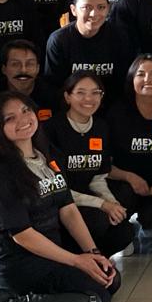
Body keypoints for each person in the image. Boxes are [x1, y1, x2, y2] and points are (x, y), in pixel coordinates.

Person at [0, 91, 121, 302]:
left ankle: (29, 298)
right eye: (10, 118)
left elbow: (68, 209)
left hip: (47, 254)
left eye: (25, 110)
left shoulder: (47, 156)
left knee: (110, 279)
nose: (22, 119)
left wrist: (93, 254)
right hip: (16, 264)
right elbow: (23, 236)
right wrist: (76, 261)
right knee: (96, 300)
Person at [42, 72, 136, 258]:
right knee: (97, 220)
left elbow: (98, 178)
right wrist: (102, 204)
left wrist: (112, 204)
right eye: (81, 92)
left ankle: (98, 260)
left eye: (95, 93)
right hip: (58, 200)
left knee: (124, 229)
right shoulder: (52, 128)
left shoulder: (101, 127)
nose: (88, 99)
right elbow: (57, 188)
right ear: (67, 97)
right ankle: (78, 260)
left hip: (87, 195)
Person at [106, 55, 152, 245]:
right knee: (122, 196)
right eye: (141, 74)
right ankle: (122, 229)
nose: (148, 79)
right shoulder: (117, 113)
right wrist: (129, 177)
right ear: (131, 80)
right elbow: (103, 164)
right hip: (126, 183)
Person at [43, 0, 135, 100]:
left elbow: (123, 83)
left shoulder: (119, 37)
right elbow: (53, 86)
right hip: (71, 105)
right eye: (87, 7)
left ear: (108, 8)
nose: (94, 14)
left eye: (101, 7)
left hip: (110, 104)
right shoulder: (59, 40)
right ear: (73, 10)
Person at [2, 39, 55, 114]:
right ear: (4, 69)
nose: (23, 70)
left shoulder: (52, 97)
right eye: (15, 64)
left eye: (30, 64)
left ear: (38, 68)